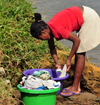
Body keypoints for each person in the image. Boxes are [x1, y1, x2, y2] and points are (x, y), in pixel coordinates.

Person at [30, 6, 100, 96]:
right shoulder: (49, 29)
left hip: (88, 17)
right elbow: (52, 48)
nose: (41, 40)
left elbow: (76, 40)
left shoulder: (58, 29)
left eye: (40, 39)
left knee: (80, 53)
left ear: (43, 32)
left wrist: (68, 59)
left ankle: (75, 88)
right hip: (82, 13)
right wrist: (57, 63)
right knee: (79, 51)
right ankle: (76, 85)